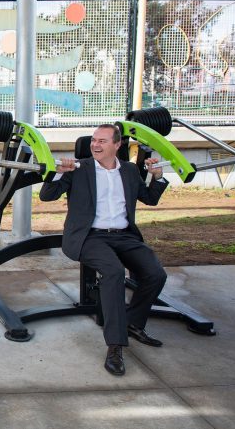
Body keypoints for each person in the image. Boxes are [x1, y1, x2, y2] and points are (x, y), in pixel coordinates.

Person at [39, 124, 169, 376]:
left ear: (117, 145)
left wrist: (158, 177)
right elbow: (48, 196)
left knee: (155, 274)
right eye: (93, 141)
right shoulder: (79, 168)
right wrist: (57, 172)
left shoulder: (130, 171)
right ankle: (115, 346)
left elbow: (150, 199)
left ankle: (133, 323)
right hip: (90, 237)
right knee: (113, 272)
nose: (95, 145)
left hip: (124, 235)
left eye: (102, 141)